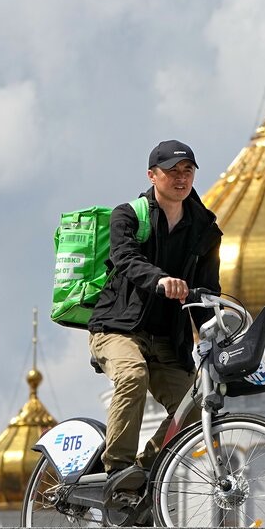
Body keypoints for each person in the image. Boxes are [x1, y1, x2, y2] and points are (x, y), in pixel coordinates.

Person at [87, 139, 222, 496]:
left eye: (188, 171)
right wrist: (160, 280)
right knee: (132, 374)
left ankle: (146, 471)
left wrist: (217, 327)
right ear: (153, 175)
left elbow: (208, 290)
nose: (181, 178)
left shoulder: (205, 228)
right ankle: (117, 467)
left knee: (195, 407)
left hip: (167, 340)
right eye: (172, 171)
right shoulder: (129, 215)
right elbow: (126, 259)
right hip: (118, 328)